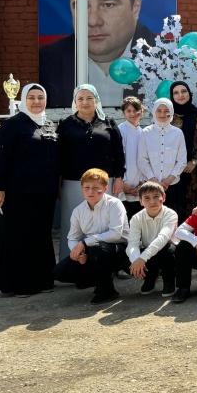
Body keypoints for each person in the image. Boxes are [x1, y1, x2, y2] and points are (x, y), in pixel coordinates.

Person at [40, 0, 155, 108]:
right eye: (81, 6)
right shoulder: (46, 62)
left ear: (135, 7)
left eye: (108, 5)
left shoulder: (167, 60)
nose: (93, 21)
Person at [0, 83, 59, 297]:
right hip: (19, 192)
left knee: (41, 236)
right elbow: (1, 158)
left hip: (45, 193)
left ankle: (43, 279)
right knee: (21, 237)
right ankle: (21, 284)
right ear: (23, 100)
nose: (36, 101)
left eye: (40, 97)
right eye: (32, 97)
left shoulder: (49, 124)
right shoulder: (12, 124)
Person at [56, 84, 125, 262]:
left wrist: (119, 177)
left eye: (89, 98)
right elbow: (59, 156)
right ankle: (71, 260)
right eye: (80, 99)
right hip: (73, 183)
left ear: (96, 100)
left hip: (105, 182)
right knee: (72, 222)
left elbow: (118, 153)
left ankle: (106, 262)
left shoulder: (108, 122)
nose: (85, 102)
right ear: (75, 101)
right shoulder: (65, 124)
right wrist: (58, 182)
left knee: (105, 222)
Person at [53, 168, 130, 304]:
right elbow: (72, 237)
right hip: (94, 249)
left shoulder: (114, 204)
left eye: (95, 188)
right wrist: (78, 253)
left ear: (105, 189)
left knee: (96, 249)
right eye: (86, 188)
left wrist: (84, 243)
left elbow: (116, 234)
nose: (90, 192)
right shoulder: (78, 211)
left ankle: (107, 290)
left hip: (119, 249)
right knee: (59, 271)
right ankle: (95, 281)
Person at [126, 180, 179, 298]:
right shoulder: (136, 218)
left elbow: (163, 237)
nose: (152, 201)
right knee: (129, 256)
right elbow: (132, 243)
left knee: (167, 249)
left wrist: (142, 258)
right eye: (147, 198)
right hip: (148, 252)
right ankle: (150, 276)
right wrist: (136, 261)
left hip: (167, 251)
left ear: (163, 198)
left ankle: (169, 279)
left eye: (156, 197)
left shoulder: (171, 214)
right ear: (140, 201)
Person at [137, 97, 188, 219]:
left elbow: (181, 161)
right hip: (151, 185)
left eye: (166, 111)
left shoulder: (177, 133)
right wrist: (154, 180)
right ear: (154, 112)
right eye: (159, 111)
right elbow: (142, 160)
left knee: (173, 217)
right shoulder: (146, 132)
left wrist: (167, 181)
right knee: (152, 217)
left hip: (173, 185)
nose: (162, 114)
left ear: (171, 112)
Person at [170, 81, 197, 218]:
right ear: (172, 96)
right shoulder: (168, 117)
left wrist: (194, 161)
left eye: (184, 91)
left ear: (189, 93)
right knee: (174, 205)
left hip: (194, 171)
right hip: (172, 170)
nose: (180, 95)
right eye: (176, 93)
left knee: (194, 208)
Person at [118, 96, 145, 218]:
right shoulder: (120, 130)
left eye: (135, 110)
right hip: (124, 183)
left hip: (139, 185)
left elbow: (145, 158)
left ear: (142, 111)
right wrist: (122, 184)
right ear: (124, 113)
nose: (132, 114)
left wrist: (141, 183)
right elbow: (118, 158)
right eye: (128, 111)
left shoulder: (143, 132)